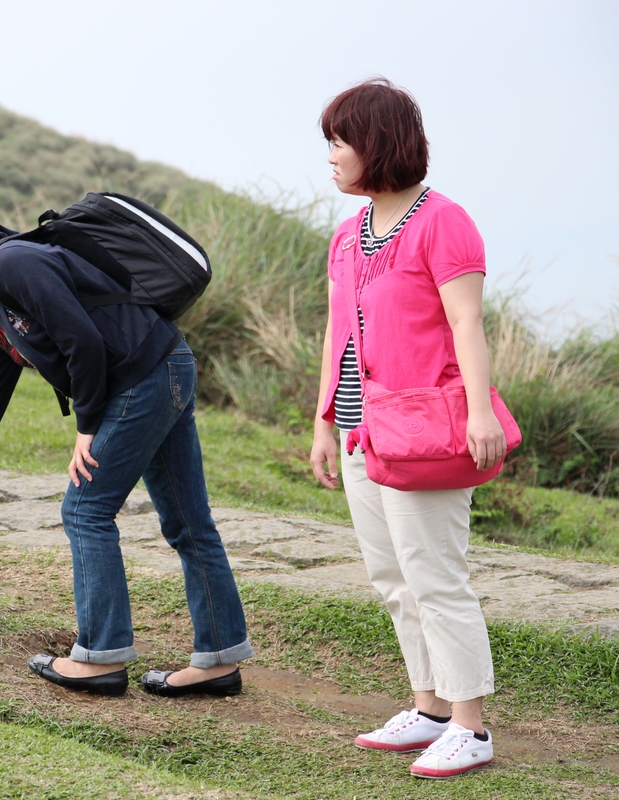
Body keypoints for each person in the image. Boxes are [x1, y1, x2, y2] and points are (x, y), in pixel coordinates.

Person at [0, 186, 254, 697]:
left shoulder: (10, 262)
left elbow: (80, 339)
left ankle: (99, 657)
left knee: (86, 509)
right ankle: (219, 658)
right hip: (160, 367)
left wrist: (87, 426)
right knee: (188, 521)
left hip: (147, 375)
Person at [309, 78, 506, 780]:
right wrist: (326, 418)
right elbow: (339, 330)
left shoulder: (442, 221)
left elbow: (466, 323)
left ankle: (470, 726)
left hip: (427, 431)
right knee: (393, 576)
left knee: (436, 576)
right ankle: (427, 710)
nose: (330, 155)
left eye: (339, 141)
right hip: (367, 434)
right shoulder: (347, 233)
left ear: (378, 144)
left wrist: (480, 411)